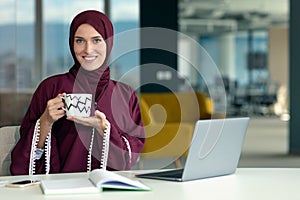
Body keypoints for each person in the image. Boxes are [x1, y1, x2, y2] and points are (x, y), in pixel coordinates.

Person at [10, 10, 145, 175]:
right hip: (60, 190)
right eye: (80, 41)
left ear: (108, 43)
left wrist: (104, 129)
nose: (88, 50)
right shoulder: (51, 88)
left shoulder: (125, 94)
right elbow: (23, 159)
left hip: (109, 191)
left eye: (96, 40)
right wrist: (46, 120)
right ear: (71, 44)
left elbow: (128, 159)